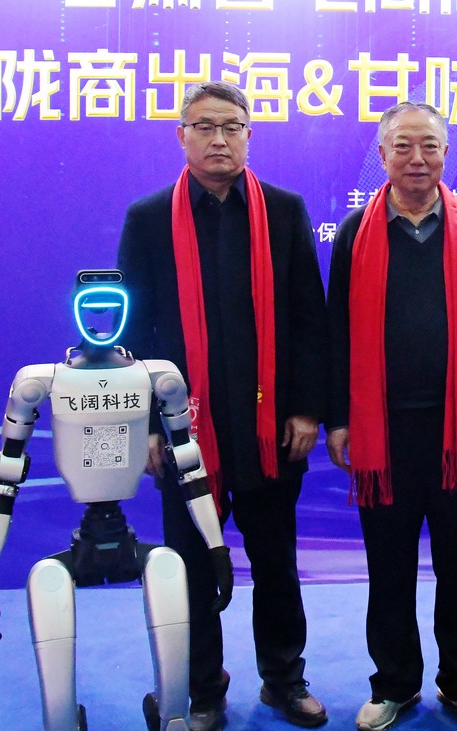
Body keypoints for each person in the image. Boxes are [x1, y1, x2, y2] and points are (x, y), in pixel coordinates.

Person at [117, 81, 330, 731]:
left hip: (270, 427)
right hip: (184, 429)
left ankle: (284, 678)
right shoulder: (149, 218)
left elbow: (308, 319)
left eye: (232, 127)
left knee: (276, 563)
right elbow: (133, 334)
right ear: (181, 136)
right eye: (204, 126)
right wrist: (147, 428)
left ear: (248, 136)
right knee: (188, 567)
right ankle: (203, 689)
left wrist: (306, 410)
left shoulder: (284, 212)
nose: (218, 139)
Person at [325, 101, 457, 731]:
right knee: (389, 567)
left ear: (446, 154)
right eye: (402, 146)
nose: (416, 158)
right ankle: (395, 684)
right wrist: (339, 418)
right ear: (382, 155)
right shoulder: (355, 231)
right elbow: (336, 330)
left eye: (429, 146)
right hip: (382, 433)